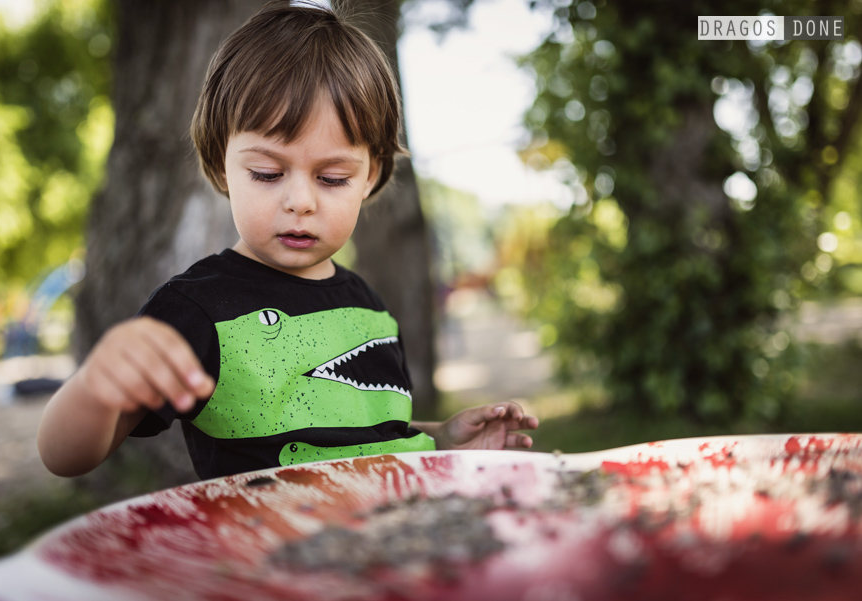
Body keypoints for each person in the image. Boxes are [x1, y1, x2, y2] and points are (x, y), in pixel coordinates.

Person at [38, 3, 539, 481]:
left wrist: (441, 440)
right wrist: (95, 388)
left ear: (371, 177)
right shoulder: (196, 311)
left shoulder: (369, 309)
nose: (300, 201)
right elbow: (66, 456)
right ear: (221, 166)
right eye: (268, 172)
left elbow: (368, 441)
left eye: (333, 178)